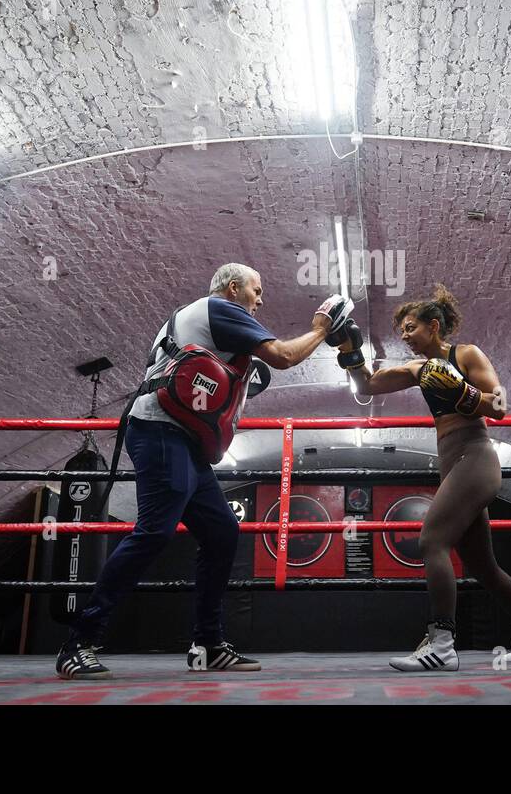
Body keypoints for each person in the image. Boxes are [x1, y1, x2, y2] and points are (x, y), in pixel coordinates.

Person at [56, 263, 352, 679]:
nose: (260, 299)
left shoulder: (202, 320)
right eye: (257, 290)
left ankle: (208, 644)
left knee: (221, 532)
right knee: (156, 530)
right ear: (234, 288)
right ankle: (79, 642)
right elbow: (284, 357)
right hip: (161, 431)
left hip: (182, 441)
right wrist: (322, 327)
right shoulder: (221, 308)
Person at [330, 284, 511, 671]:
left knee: (432, 539)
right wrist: (350, 350)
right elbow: (366, 386)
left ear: (434, 326)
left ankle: (442, 644)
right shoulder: (419, 369)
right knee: (484, 567)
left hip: (476, 456)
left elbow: (499, 405)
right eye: (401, 329)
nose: (404, 335)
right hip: (453, 463)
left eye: (410, 327)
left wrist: (463, 394)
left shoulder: (465, 354)